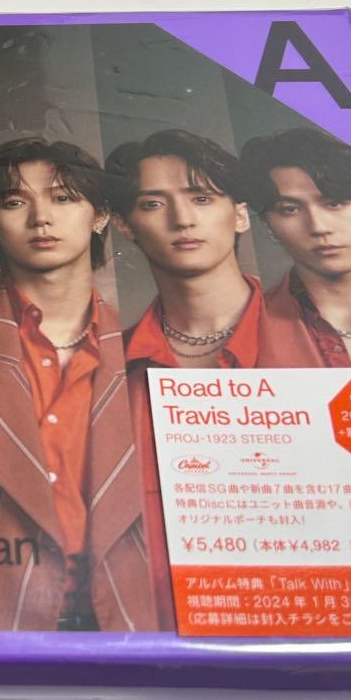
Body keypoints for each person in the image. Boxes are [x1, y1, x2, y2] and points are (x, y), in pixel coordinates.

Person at [0, 137, 155, 631]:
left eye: (64, 198)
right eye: (15, 202)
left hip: (122, 621)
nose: (41, 219)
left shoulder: (143, 344)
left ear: (100, 215)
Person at [107, 129, 265, 623]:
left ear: (240, 214)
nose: (182, 219)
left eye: (201, 197)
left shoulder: (315, 341)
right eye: (153, 203)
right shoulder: (106, 372)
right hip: (158, 636)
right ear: (124, 225)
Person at [237, 126, 351, 367]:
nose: (319, 226)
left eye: (334, 203)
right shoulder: (244, 330)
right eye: (290, 209)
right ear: (268, 225)